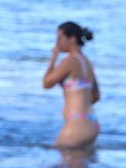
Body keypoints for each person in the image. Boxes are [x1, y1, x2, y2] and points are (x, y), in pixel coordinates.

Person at [42, 21, 100, 149]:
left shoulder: (70, 61)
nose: (57, 43)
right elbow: (96, 96)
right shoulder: (87, 62)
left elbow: (46, 83)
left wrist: (53, 58)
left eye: (60, 38)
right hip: (91, 122)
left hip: (77, 124)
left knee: (59, 165)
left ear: (72, 39)